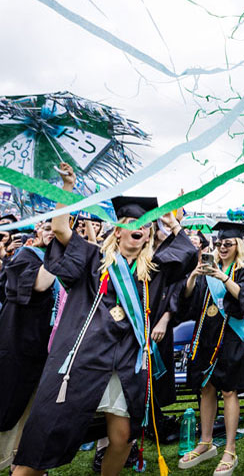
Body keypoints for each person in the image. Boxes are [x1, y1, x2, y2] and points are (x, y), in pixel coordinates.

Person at [12, 163, 196, 476]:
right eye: (134, 222)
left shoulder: (152, 272)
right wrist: (67, 188)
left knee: (122, 439)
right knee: (43, 442)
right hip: (82, 363)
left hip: (124, 367)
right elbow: (59, 230)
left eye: (147, 224)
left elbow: (188, 253)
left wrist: (173, 223)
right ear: (119, 228)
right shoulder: (92, 258)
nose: (142, 227)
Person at [177, 221, 244, 476]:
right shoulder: (206, 266)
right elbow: (188, 299)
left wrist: (223, 277)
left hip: (231, 335)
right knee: (206, 387)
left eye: (228, 244)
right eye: (219, 243)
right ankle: (206, 442)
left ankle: (230, 449)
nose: (222, 247)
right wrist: (193, 276)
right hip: (206, 334)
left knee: (229, 390)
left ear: (238, 245)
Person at [0, 221, 58, 471]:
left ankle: (22, 464)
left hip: (47, 351)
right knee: (10, 409)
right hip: (19, 347)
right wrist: (61, 249)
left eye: (58, 227)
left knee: (35, 415)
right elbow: (40, 284)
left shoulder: (65, 258)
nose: (52, 231)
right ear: (37, 232)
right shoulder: (26, 255)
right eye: (48, 227)